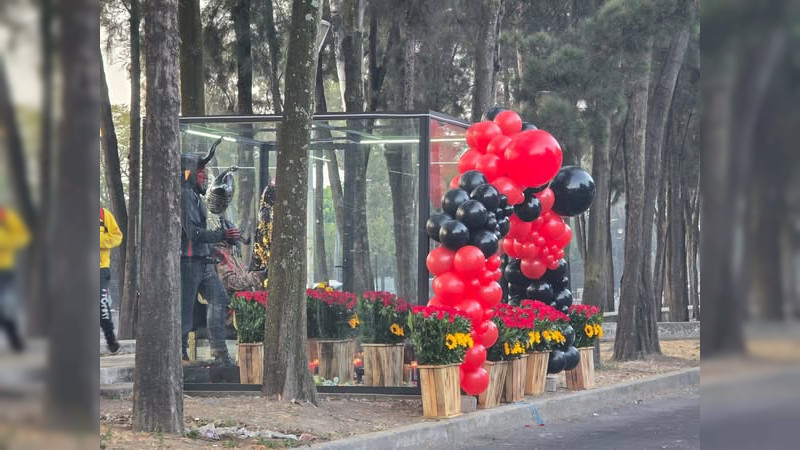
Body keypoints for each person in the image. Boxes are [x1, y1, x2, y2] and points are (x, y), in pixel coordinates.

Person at [180, 137, 240, 365]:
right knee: (185, 309)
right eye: (200, 172)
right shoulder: (184, 196)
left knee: (220, 297)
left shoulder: (195, 196)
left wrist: (216, 248)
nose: (204, 176)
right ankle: (181, 354)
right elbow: (193, 233)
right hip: (187, 260)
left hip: (201, 260)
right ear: (189, 173)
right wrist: (222, 236)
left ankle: (219, 351)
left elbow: (199, 235)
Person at [0, 206, 30, 352]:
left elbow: (23, 237)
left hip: (4, 269)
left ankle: (15, 341)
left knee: (5, 306)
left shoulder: (5, 215)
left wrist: (5, 241)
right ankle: (15, 341)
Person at [100, 207, 123, 353]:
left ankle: (111, 340)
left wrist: (100, 240)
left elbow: (117, 236)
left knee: (101, 304)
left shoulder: (104, 214)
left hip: (101, 268)